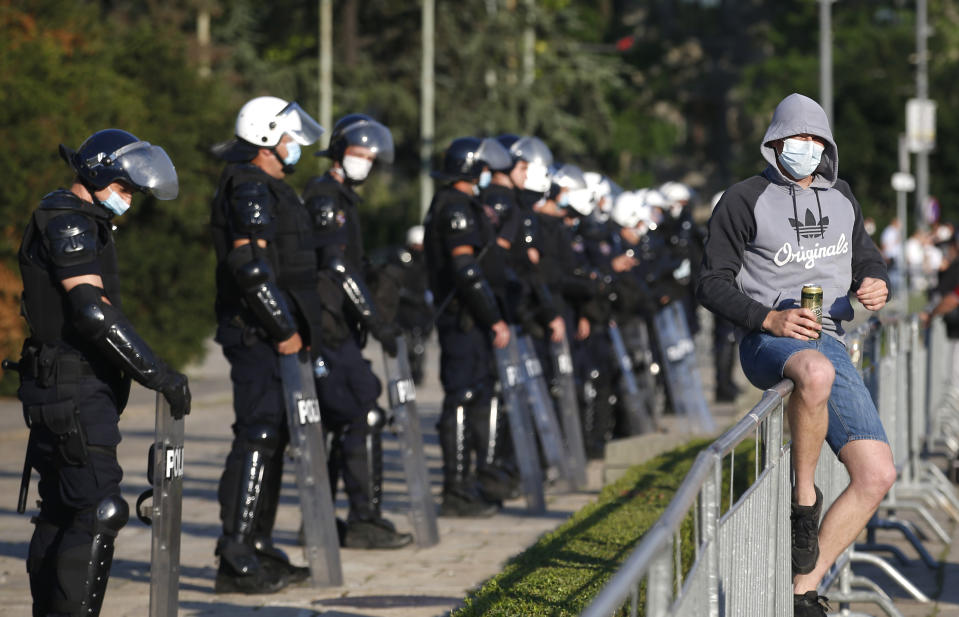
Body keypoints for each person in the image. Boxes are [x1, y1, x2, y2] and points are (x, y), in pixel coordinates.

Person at [697, 93, 895, 617]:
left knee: (877, 475)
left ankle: (801, 590)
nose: (803, 149)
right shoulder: (742, 199)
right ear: (774, 144)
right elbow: (710, 283)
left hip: (829, 336)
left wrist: (874, 281)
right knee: (812, 369)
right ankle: (803, 501)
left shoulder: (842, 197)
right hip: (770, 338)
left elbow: (867, 258)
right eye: (792, 140)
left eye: (813, 140)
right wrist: (768, 318)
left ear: (826, 146)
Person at [17, 129, 191, 617]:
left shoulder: (78, 218)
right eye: (125, 185)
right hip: (70, 385)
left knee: (64, 509)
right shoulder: (66, 218)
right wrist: (156, 373)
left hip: (65, 383)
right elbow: (91, 311)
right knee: (98, 508)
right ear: (97, 173)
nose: (129, 196)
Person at [209, 96, 324, 593]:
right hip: (257, 334)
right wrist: (283, 328)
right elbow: (249, 268)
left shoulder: (273, 187)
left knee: (272, 440)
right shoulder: (249, 187)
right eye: (289, 135)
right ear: (266, 138)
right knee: (256, 436)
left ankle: (258, 545)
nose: (295, 144)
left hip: (274, 336)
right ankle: (235, 555)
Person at [302, 113, 412, 549]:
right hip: (327, 329)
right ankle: (363, 519)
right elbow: (336, 266)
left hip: (338, 328)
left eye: (371, 157)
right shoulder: (326, 197)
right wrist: (375, 320)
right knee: (362, 413)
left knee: (339, 420)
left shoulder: (342, 197)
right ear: (337, 153)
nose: (365, 162)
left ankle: (323, 520)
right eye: (358, 154)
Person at [424, 137, 512, 517]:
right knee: (460, 398)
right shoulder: (455, 206)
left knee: (475, 395)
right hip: (462, 319)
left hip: (470, 320)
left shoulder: (461, 203)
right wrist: (493, 318)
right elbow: (465, 269)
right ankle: (455, 489)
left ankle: (471, 482)